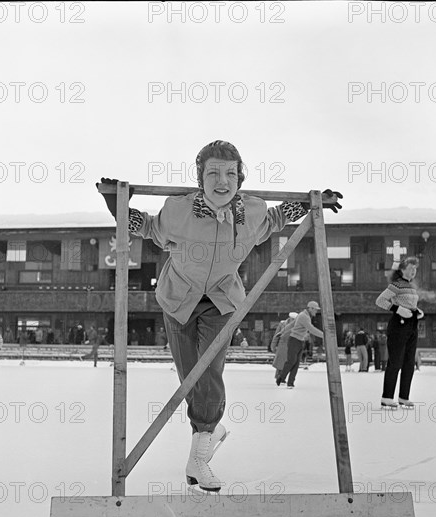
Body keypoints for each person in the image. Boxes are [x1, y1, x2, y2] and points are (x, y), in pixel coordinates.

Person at [97, 139, 343, 492]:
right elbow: (149, 228)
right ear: (201, 178)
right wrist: (116, 205)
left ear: (240, 178)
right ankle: (211, 432)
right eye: (212, 172)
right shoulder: (178, 211)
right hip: (179, 299)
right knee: (190, 379)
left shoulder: (252, 212)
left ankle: (198, 456)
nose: (221, 181)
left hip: (222, 301)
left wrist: (311, 204)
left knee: (208, 372)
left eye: (230, 173)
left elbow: (275, 219)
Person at [376, 257, 423, 408]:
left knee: (409, 362)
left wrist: (417, 311)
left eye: (415, 269)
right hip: (399, 324)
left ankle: (404, 396)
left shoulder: (411, 286)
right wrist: (397, 309)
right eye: (410, 268)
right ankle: (387, 397)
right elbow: (380, 300)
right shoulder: (396, 285)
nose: (413, 271)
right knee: (395, 361)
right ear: (402, 269)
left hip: (412, 324)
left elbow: (410, 303)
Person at [276, 301, 324, 388]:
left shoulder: (304, 315)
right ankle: (281, 378)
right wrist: (324, 335)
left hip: (300, 341)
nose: (316, 312)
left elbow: (292, 324)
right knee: (291, 361)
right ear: (311, 308)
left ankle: (290, 382)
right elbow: (311, 329)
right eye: (315, 310)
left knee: (296, 363)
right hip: (294, 340)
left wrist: (282, 331)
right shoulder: (304, 317)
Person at [271, 312, 298, 380]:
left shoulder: (298, 325)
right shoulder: (282, 324)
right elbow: (276, 335)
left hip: (292, 345)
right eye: (293, 319)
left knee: (289, 362)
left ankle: (284, 377)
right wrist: (273, 346)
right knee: (281, 361)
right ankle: (279, 376)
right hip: (282, 345)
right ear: (289, 318)